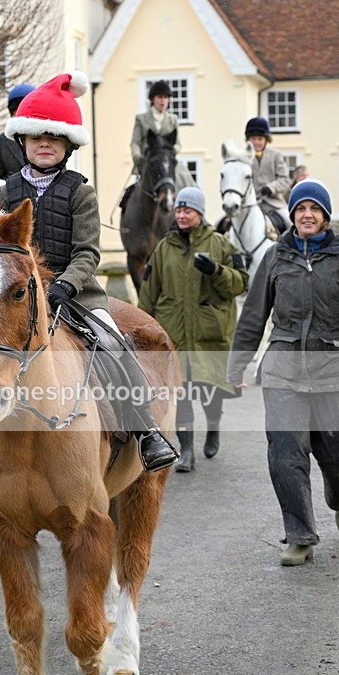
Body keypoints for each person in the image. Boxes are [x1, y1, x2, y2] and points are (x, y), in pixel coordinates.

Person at [0, 71, 178, 474]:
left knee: (115, 345)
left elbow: (88, 252)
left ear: (67, 145)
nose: (44, 144)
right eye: (36, 137)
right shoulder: (6, 192)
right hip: (18, 295)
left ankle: (146, 430)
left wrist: (65, 284)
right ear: (23, 142)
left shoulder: (81, 191)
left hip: (76, 294)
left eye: (54, 138)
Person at [227, 179, 339, 566]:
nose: (307, 215)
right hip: (283, 370)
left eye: (315, 209)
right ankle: (299, 536)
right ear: (293, 215)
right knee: (286, 454)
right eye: (301, 209)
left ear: (326, 216)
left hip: (334, 369)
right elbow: (254, 314)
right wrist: (236, 364)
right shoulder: (275, 256)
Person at [138, 187, 249, 472]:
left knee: (210, 390)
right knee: (181, 394)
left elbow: (240, 283)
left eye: (188, 210)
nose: (182, 215)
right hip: (173, 333)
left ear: (199, 213)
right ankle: (186, 450)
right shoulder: (164, 248)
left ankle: (213, 425)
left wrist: (216, 271)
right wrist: (140, 329)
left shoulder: (220, 244)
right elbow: (149, 292)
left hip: (208, 334)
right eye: (179, 210)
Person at [130, 79, 195, 191]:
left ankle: (194, 196)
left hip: (167, 161)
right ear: (152, 99)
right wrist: (137, 157)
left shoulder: (173, 119)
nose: (163, 101)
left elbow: (178, 144)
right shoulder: (141, 119)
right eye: (160, 97)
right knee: (131, 192)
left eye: (166, 97)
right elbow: (135, 143)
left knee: (186, 176)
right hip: (148, 161)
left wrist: (170, 152)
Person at [244, 116, 291, 231]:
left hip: (273, 203)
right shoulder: (243, 157)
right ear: (248, 139)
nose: (256, 142)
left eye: (260, 139)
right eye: (253, 139)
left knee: (290, 222)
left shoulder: (276, 155)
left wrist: (271, 188)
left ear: (266, 140)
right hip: (248, 203)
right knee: (221, 222)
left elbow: (285, 179)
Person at [0, 83, 35, 180]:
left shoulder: (48, 136)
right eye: (18, 110)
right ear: (12, 112)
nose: (23, 115)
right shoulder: (3, 140)